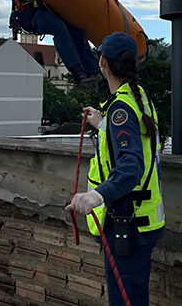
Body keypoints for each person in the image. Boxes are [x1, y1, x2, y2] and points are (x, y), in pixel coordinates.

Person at [66, 32, 164, 306]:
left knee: (125, 301)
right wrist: (102, 123)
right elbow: (137, 138)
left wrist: (95, 196)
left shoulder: (121, 109)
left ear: (102, 63)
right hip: (141, 221)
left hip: (126, 223)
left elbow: (131, 167)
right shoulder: (139, 98)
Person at [0, 0, 100, 87]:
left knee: (75, 29)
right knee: (58, 27)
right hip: (28, 13)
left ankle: (95, 72)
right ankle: (77, 73)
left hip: (45, 9)